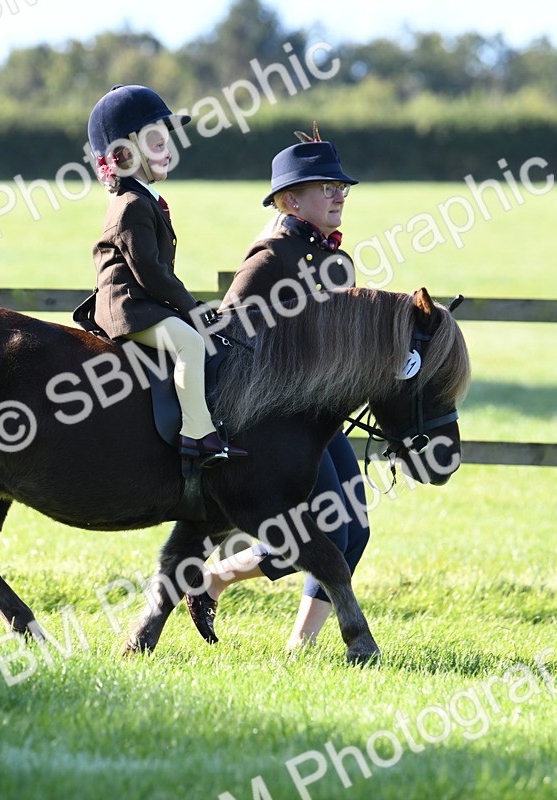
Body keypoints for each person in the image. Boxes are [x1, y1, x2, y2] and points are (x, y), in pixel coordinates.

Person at [188, 126, 368, 648]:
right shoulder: (269, 257)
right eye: (325, 187)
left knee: (354, 529)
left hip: (318, 417)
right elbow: (226, 335)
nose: (338, 195)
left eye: (342, 189)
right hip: (273, 421)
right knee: (327, 530)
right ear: (290, 200)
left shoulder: (336, 260)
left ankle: (280, 631)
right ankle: (216, 582)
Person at [74, 84, 244, 467]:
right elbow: (151, 272)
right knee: (190, 343)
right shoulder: (132, 205)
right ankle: (197, 433)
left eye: (166, 139)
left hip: (144, 305)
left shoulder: (142, 199)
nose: (167, 149)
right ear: (124, 153)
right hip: (131, 309)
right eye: (155, 141)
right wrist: (191, 308)